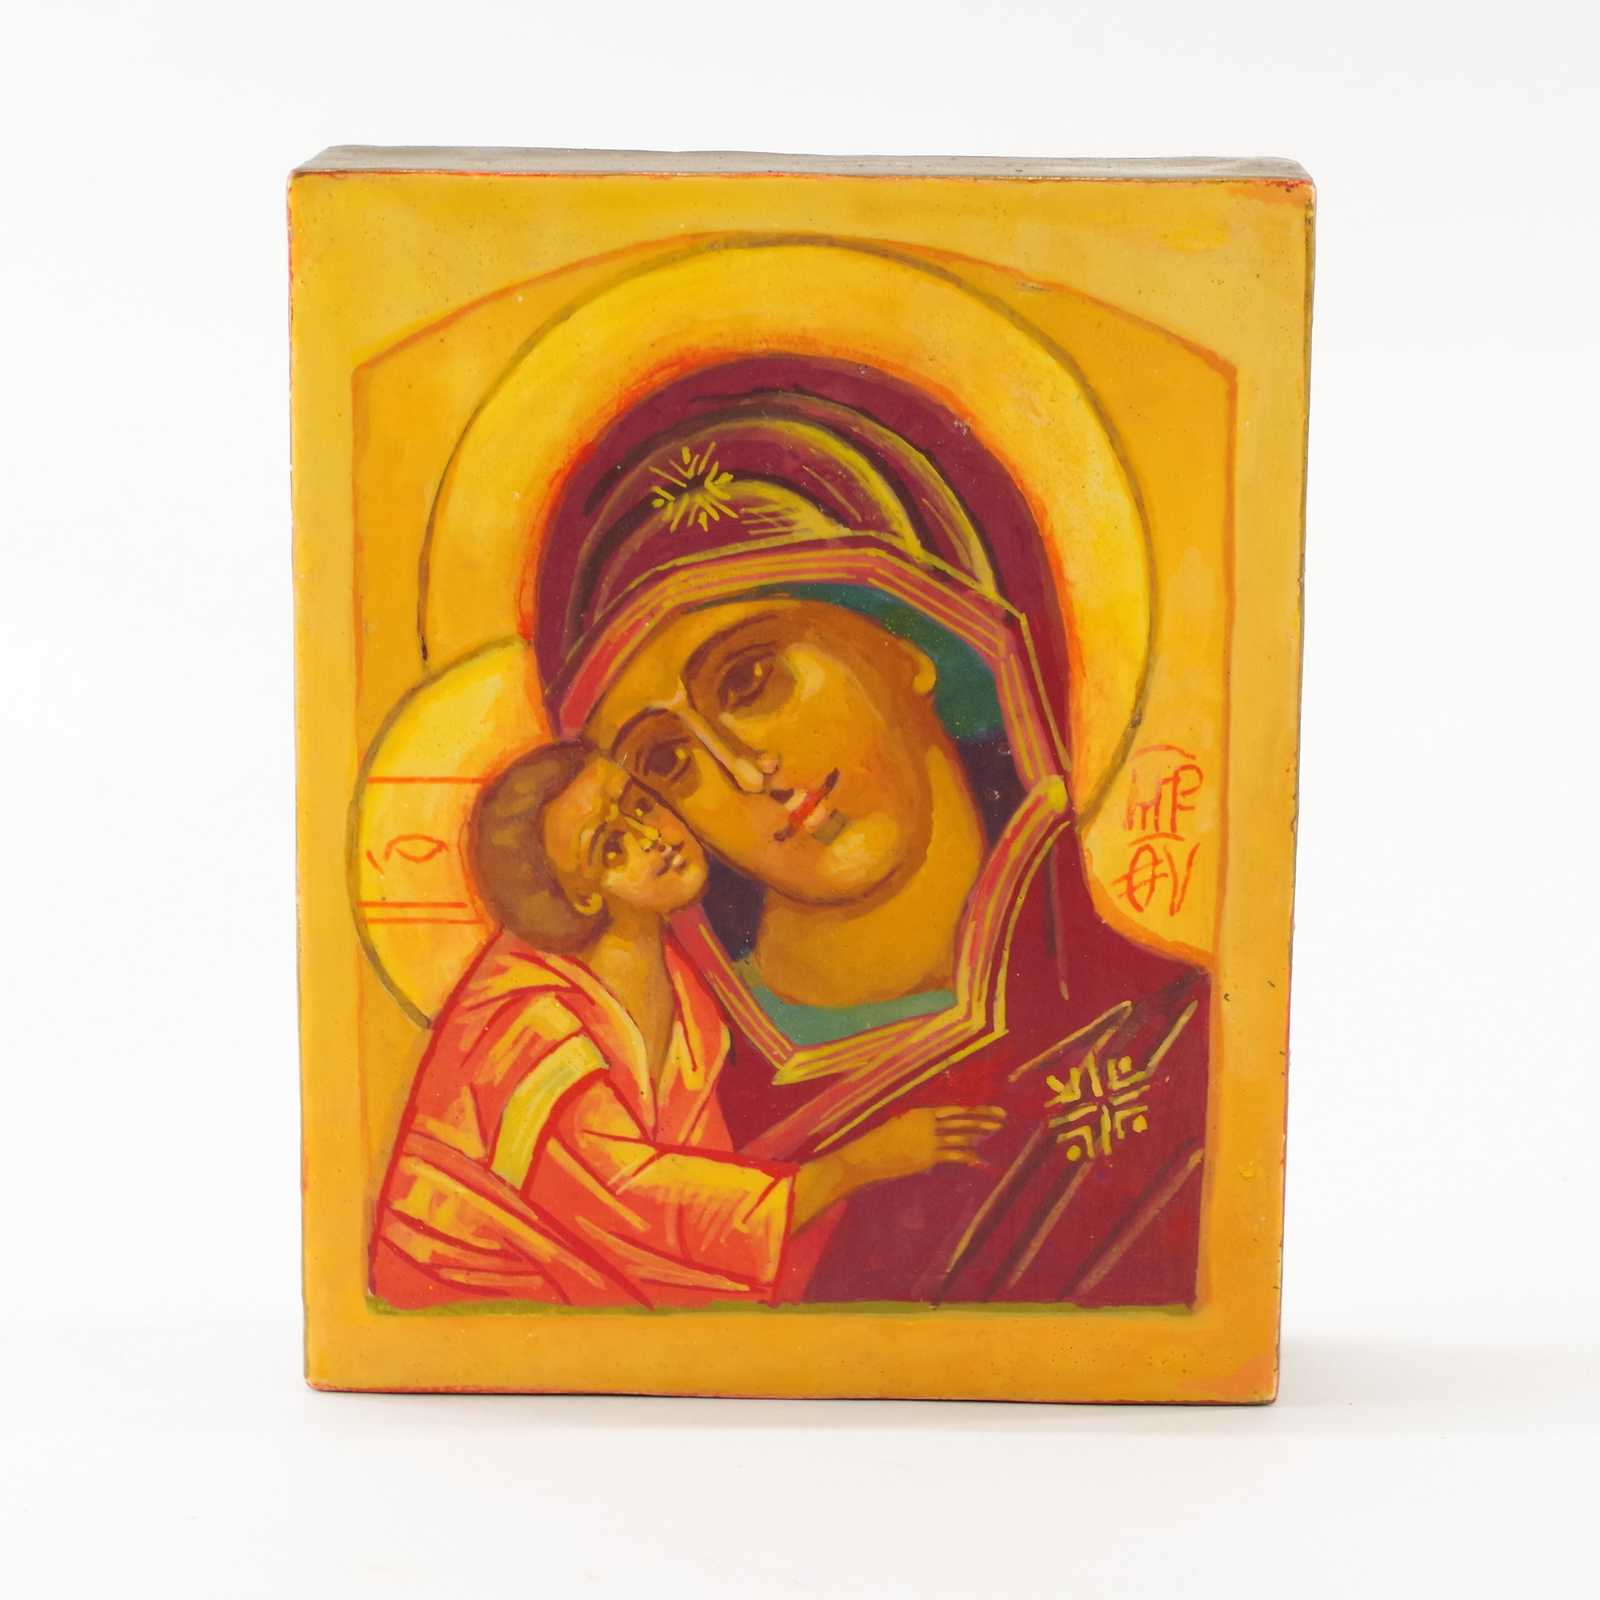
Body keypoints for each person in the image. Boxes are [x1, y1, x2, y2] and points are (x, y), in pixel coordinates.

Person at [532, 359, 1213, 1306]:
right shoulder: (683, 1134)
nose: (746, 773)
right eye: (668, 763)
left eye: (749, 681)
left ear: (904, 640)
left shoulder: (1172, 1048)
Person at [370, 741, 1004, 1309]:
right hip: (467, 1315)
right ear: (581, 896)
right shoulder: (523, 1027)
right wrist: (856, 1165)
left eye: (640, 806)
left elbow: (699, 1178)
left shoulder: (676, 982)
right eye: (612, 848)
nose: (654, 838)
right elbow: (640, 1203)